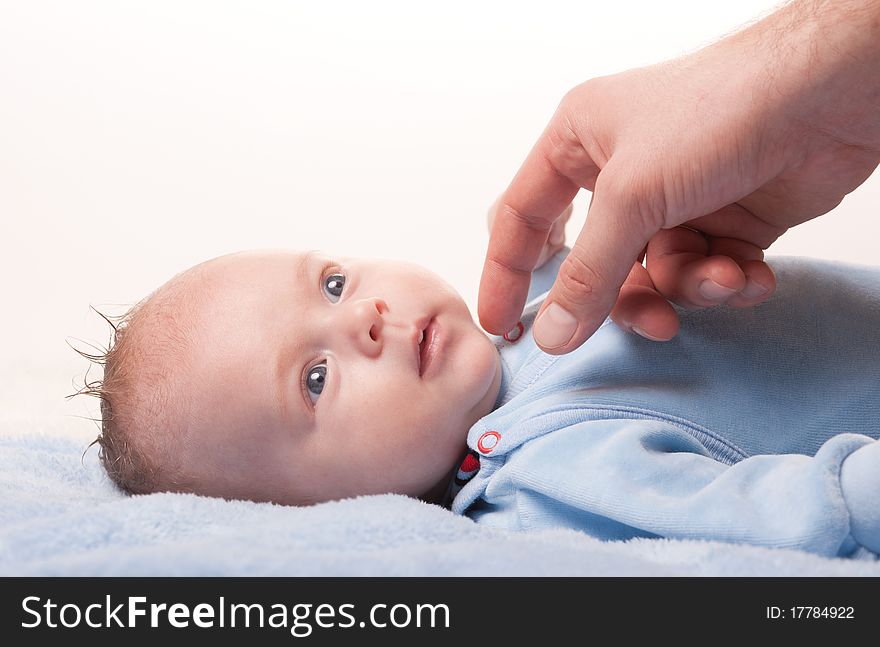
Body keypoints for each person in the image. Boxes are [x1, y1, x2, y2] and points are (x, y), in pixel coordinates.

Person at [76, 229, 880, 559]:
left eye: (332, 283)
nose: (365, 316)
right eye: (315, 379)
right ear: (321, 509)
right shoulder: (547, 476)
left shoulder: (517, 311)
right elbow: (787, 508)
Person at [480, 0, 880, 353]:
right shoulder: (549, 439)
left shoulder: (524, 318)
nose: (414, 324)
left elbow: (555, 273)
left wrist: (544, 250)